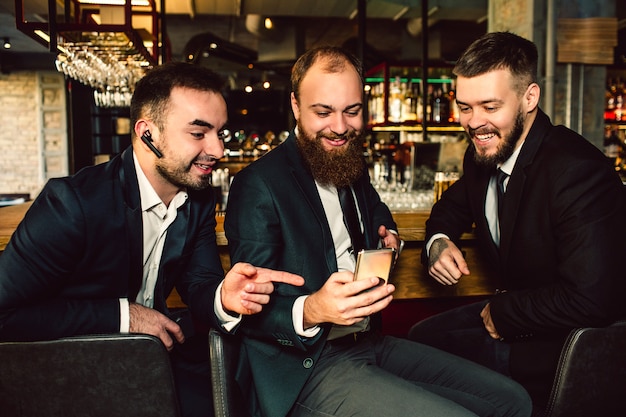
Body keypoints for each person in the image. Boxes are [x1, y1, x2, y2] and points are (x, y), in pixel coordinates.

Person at [224, 46, 532, 417]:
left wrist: (391, 236)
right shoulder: (258, 185)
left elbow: (377, 212)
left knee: (513, 402)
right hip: (303, 368)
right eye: (323, 112)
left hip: (367, 343)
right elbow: (250, 307)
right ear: (295, 105)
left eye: (351, 112)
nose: (339, 127)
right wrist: (312, 309)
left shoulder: (349, 163)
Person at [0, 62, 304, 417]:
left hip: (153, 360)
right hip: (67, 372)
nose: (218, 149)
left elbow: (199, 282)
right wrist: (124, 316)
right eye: (198, 133)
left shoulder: (198, 200)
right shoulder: (72, 204)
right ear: (148, 133)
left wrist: (224, 296)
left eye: (220, 133)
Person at [408, 31, 626, 410]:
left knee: (415, 363)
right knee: (416, 339)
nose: (474, 123)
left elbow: (594, 298)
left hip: (566, 347)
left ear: (529, 98)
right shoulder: (484, 154)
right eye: (465, 107)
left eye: (490, 106)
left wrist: (504, 313)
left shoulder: (576, 169)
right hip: (517, 323)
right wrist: (438, 241)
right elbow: (451, 207)